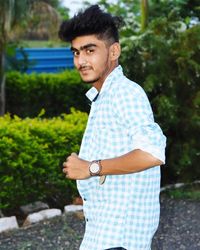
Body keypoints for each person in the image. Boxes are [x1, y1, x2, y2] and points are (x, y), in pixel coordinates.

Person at [59, 5, 166, 250]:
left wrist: (90, 168)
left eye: (90, 50)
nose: (81, 60)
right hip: (103, 234)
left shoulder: (125, 93)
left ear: (114, 51)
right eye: (76, 52)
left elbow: (152, 153)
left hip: (120, 239)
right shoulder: (103, 97)